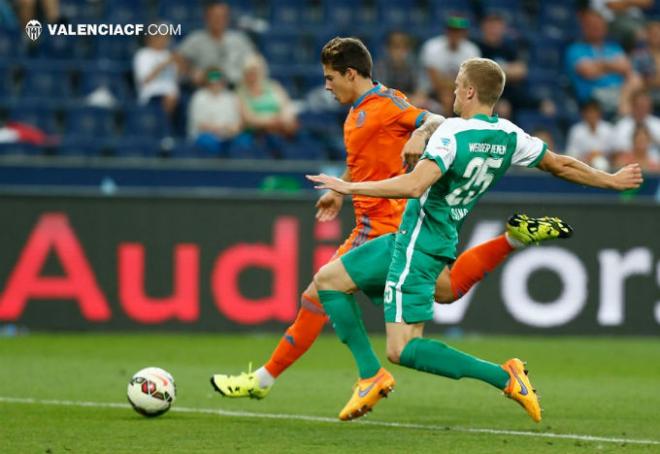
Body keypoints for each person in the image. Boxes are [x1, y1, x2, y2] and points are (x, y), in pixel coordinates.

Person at [210, 39, 572, 400]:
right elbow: (365, 162)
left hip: (383, 225)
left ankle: (303, 378)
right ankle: (513, 239)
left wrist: (418, 133)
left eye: (330, 77)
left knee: (321, 291)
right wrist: (340, 191)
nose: (326, 85)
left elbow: (435, 119)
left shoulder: (386, 104)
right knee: (446, 290)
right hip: (382, 224)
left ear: (351, 74)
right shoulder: (356, 114)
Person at [307, 57, 643, 422]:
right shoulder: (510, 135)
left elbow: (414, 185)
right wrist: (610, 179)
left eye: (456, 85)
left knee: (402, 349)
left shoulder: (453, 132)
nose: (452, 91)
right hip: (438, 235)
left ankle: (504, 377)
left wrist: (348, 186)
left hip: (416, 242)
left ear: (469, 91)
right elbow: (560, 164)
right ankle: (369, 375)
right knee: (332, 280)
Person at [565, 9, 642, 116]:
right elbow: (588, 72)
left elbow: (626, 67)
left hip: (620, 92)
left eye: (599, 25)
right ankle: (624, 112)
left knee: (636, 78)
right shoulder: (576, 49)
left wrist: (599, 66)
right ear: (584, 28)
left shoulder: (614, 47)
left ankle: (624, 110)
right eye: (592, 25)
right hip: (594, 97)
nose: (596, 28)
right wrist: (614, 66)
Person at [174, 1, 255, 87]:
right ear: (206, 18)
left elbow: (254, 63)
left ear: (227, 18)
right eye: (214, 17)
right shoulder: (196, 39)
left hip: (236, 88)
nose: (218, 20)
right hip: (207, 89)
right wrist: (191, 72)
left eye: (222, 16)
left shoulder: (240, 39)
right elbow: (177, 60)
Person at [187, 67, 243, 156]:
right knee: (209, 143)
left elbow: (237, 124)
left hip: (228, 137)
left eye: (219, 79)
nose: (216, 83)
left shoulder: (231, 97)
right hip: (205, 136)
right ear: (207, 81)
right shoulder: (199, 97)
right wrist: (220, 129)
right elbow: (200, 124)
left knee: (243, 142)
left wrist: (232, 129)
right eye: (212, 80)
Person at [133, 28, 179, 116]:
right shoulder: (143, 54)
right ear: (152, 38)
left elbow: (177, 79)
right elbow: (145, 80)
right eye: (162, 37)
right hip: (153, 94)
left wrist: (180, 65)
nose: (165, 40)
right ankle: (164, 126)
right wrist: (163, 64)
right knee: (169, 98)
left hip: (173, 96)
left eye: (166, 37)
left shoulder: (169, 54)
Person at [565, 99, 615, 169]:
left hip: (607, 165)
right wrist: (586, 157)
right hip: (582, 165)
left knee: (600, 162)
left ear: (599, 113)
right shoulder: (576, 131)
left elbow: (614, 152)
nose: (591, 115)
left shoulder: (608, 129)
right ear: (583, 114)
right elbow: (571, 154)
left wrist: (599, 154)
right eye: (589, 112)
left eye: (594, 112)